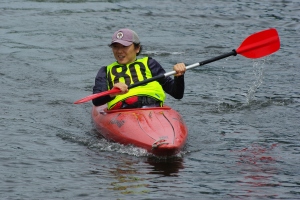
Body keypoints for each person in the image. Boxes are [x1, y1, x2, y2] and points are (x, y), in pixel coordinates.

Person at [92, 28, 186, 110]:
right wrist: (112, 93)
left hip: (153, 108)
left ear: (137, 48)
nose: (119, 51)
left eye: (124, 46)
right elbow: (96, 100)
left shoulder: (150, 64)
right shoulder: (105, 71)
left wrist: (179, 76)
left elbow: (177, 94)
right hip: (123, 111)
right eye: (115, 47)